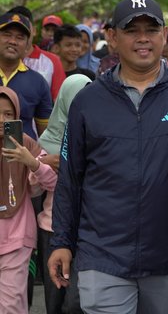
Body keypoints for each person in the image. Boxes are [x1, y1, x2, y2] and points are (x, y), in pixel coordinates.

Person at [47, 0, 168, 314]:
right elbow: (70, 178)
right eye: (132, 30)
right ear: (112, 36)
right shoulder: (88, 102)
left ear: (165, 35)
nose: (143, 37)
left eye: (151, 28)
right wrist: (61, 240)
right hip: (101, 253)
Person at [0, 86, 57, 313]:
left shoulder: (26, 143)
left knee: (11, 304)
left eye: (8, 115)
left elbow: (52, 183)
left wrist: (31, 162)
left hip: (16, 236)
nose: (2, 120)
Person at [38, 75, 91, 314]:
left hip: (89, 229)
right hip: (53, 227)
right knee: (55, 300)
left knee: (76, 301)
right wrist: (42, 165)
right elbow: (34, 188)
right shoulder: (46, 142)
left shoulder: (95, 137)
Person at [0, 12, 52, 139]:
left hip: (23, 156)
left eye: (20, 37)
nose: (13, 41)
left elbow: (45, 134)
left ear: (27, 44)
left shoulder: (38, 82)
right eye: (7, 35)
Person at [7, 6, 66, 102]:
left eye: (24, 29)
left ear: (34, 31)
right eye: (9, 33)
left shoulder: (52, 61)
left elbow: (59, 102)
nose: (14, 39)